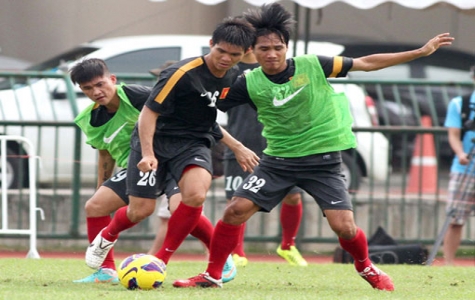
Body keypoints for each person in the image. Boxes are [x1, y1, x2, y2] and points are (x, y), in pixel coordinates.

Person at [173, 3, 454, 290]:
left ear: (286, 48)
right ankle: (212, 275)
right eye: (263, 49)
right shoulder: (247, 82)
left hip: (323, 162)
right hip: (277, 163)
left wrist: (419, 53)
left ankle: (366, 267)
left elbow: (366, 63)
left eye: (277, 47)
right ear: (251, 53)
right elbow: (205, 108)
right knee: (235, 210)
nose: (271, 54)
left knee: (343, 226)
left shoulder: (313, 65)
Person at [84, 16, 258, 283]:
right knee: (139, 211)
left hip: (193, 144)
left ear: (244, 54)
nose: (225, 58)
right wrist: (147, 153)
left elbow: (207, 119)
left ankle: (163, 261)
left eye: (233, 54)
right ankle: (107, 237)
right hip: (156, 144)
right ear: (211, 44)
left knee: (194, 196)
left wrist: (237, 146)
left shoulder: (235, 77)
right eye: (220, 51)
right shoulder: (180, 74)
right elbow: (148, 115)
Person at [70, 58, 233, 284]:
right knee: (96, 206)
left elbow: (195, 119)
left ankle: (222, 258)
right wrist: (102, 186)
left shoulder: (139, 96)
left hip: (171, 158)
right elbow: (105, 154)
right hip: (139, 166)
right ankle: (106, 271)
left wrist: (235, 146)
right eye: (87, 88)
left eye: (100, 84)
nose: (96, 92)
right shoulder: (90, 119)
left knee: (182, 206)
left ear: (112, 79)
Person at [225, 50, 307, 267]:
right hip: (242, 143)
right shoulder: (230, 72)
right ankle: (237, 252)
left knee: (293, 196)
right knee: (236, 201)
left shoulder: (282, 69)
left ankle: (288, 246)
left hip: (280, 145)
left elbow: (306, 81)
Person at [442, 65, 475, 266]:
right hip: (464, 169)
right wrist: (461, 153)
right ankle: (448, 263)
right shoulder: (460, 104)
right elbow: (453, 134)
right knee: (455, 218)